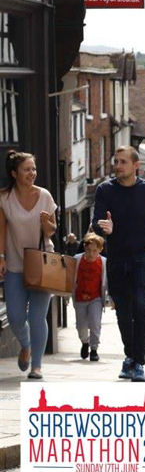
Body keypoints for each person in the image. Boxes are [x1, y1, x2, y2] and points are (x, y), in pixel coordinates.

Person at [92, 145, 145, 382]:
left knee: (141, 306)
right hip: (117, 258)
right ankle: (130, 356)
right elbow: (97, 221)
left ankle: (138, 362)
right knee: (123, 312)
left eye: (122, 162)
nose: (117, 166)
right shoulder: (104, 190)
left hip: (142, 257)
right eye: (115, 162)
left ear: (136, 165)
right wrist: (103, 227)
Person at [0, 150, 57, 380]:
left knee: (36, 317)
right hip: (14, 264)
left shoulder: (44, 196)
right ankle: (26, 345)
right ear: (14, 173)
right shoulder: (4, 198)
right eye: (27, 169)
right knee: (14, 316)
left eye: (33, 169)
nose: (32, 173)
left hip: (42, 265)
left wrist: (46, 224)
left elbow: (52, 231)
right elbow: (1, 230)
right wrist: (1, 256)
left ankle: (37, 366)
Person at [73, 232, 108, 362]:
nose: (91, 254)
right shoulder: (77, 260)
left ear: (100, 250)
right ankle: (85, 342)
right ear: (84, 248)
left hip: (96, 298)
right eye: (88, 250)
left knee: (95, 323)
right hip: (80, 297)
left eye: (95, 251)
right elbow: (70, 279)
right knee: (81, 326)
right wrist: (66, 296)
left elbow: (107, 282)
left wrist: (110, 298)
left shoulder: (103, 262)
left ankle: (94, 349)